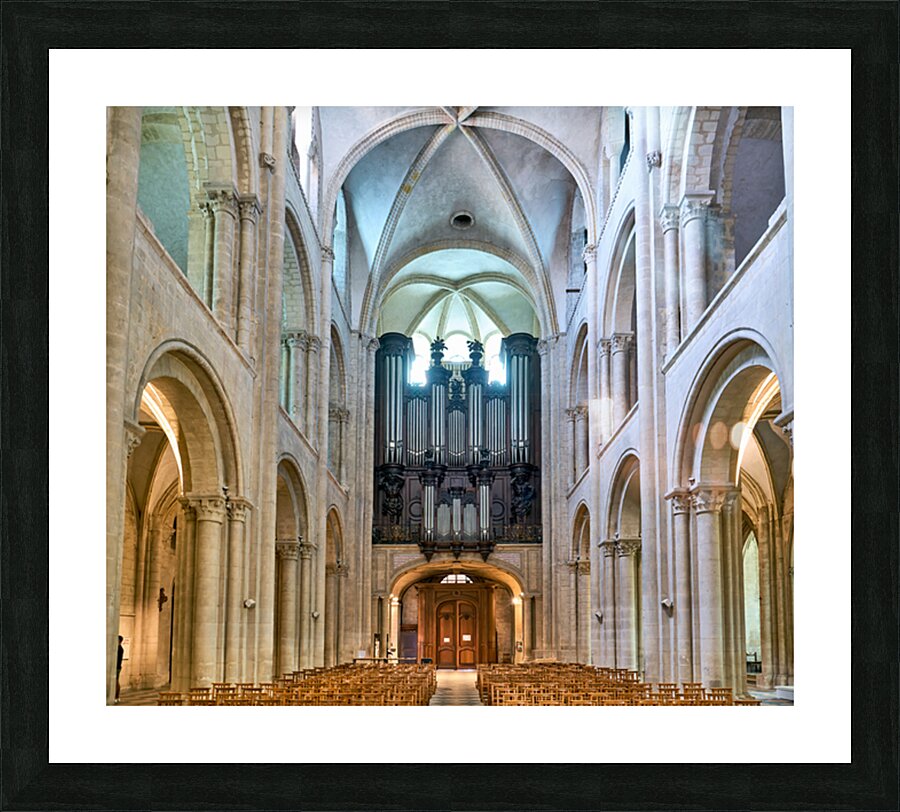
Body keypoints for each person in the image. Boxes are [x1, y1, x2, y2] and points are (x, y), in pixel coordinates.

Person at [115, 635, 124, 703]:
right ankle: (116, 696)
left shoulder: (119, 648)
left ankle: (116, 696)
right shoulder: (118, 648)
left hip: (117, 667)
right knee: (116, 681)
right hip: (117, 667)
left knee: (116, 681)